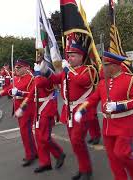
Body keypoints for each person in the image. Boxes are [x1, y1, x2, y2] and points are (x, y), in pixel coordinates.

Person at [75, 51, 133, 180]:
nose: (102, 68)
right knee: (113, 158)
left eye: (104, 65)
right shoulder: (103, 83)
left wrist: (118, 105)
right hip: (108, 126)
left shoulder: (129, 80)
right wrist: (81, 110)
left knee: (122, 154)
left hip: (124, 124)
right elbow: (93, 99)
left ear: (113, 66)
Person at [35, 41, 97, 180]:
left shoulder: (88, 70)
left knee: (77, 141)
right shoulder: (66, 71)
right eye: (69, 56)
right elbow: (54, 79)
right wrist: (43, 69)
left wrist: (69, 71)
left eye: (73, 56)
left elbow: (83, 81)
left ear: (81, 57)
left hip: (81, 111)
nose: (69, 58)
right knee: (75, 143)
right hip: (68, 111)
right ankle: (83, 169)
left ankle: (87, 170)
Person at [15, 49, 66, 173]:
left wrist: (39, 72)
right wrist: (23, 107)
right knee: (39, 137)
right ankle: (45, 162)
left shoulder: (46, 77)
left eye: (40, 62)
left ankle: (59, 153)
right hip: (38, 108)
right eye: (36, 63)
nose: (37, 64)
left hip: (46, 108)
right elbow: (32, 93)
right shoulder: (37, 75)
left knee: (44, 138)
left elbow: (38, 83)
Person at [0, 59, 38, 167]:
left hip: (26, 109)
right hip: (18, 108)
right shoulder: (16, 79)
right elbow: (8, 89)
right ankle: (34, 152)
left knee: (25, 132)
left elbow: (33, 94)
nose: (16, 69)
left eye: (19, 67)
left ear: (26, 68)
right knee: (26, 132)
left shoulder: (31, 79)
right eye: (16, 67)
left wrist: (20, 93)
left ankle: (29, 155)